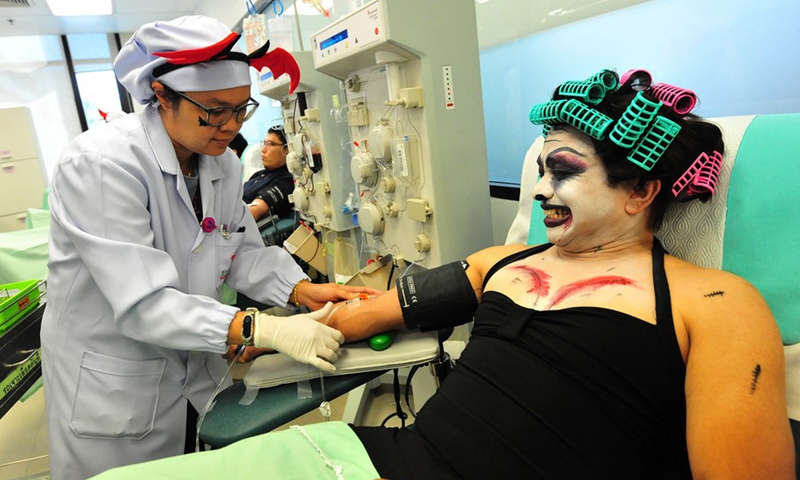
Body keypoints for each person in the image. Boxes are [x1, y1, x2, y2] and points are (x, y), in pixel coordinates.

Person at [90, 69, 796, 479]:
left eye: (565, 173)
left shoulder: (714, 303)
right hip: (370, 460)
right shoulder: (505, 262)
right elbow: (364, 314)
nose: (542, 192)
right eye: (541, 170)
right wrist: (269, 329)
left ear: (642, 191)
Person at [41, 15, 377, 480]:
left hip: (191, 372)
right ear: (162, 95)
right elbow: (143, 304)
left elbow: (239, 251)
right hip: (116, 382)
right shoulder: (101, 165)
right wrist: (261, 329)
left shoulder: (222, 164)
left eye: (243, 109)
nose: (232, 126)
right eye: (216, 110)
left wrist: (301, 291)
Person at [242, 125, 294, 221]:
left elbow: (257, 209)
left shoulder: (285, 181)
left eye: (270, 144)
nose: (263, 149)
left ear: (287, 149)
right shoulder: (259, 175)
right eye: (264, 143)